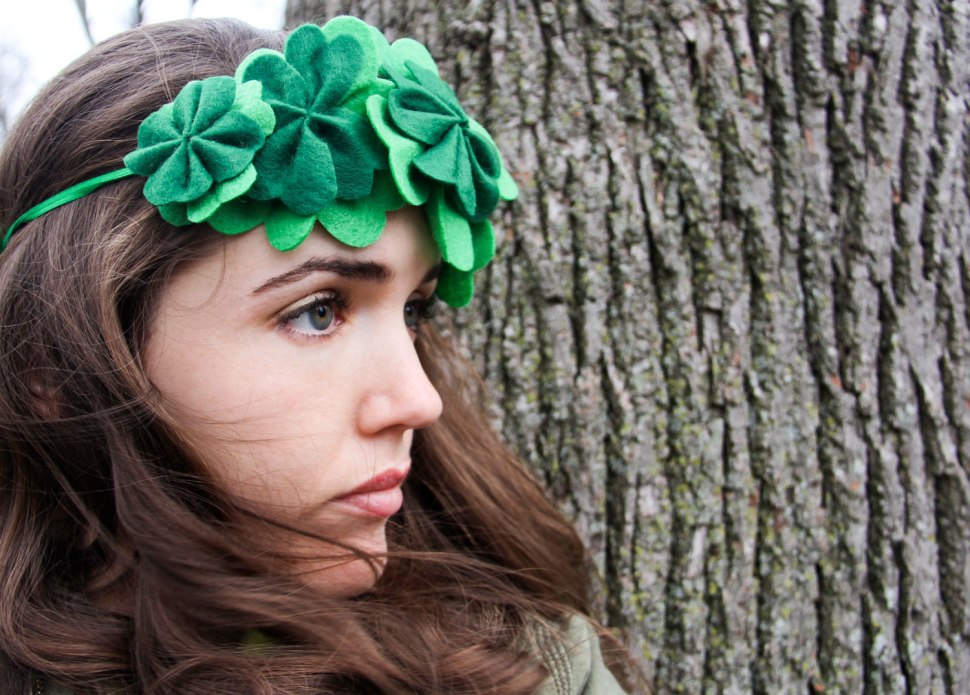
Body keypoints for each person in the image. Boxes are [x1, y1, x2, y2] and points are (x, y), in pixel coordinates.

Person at [0, 16, 632, 695]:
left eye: (414, 309)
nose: (419, 400)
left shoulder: (524, 671)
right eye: (317, 311)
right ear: (49, 367)